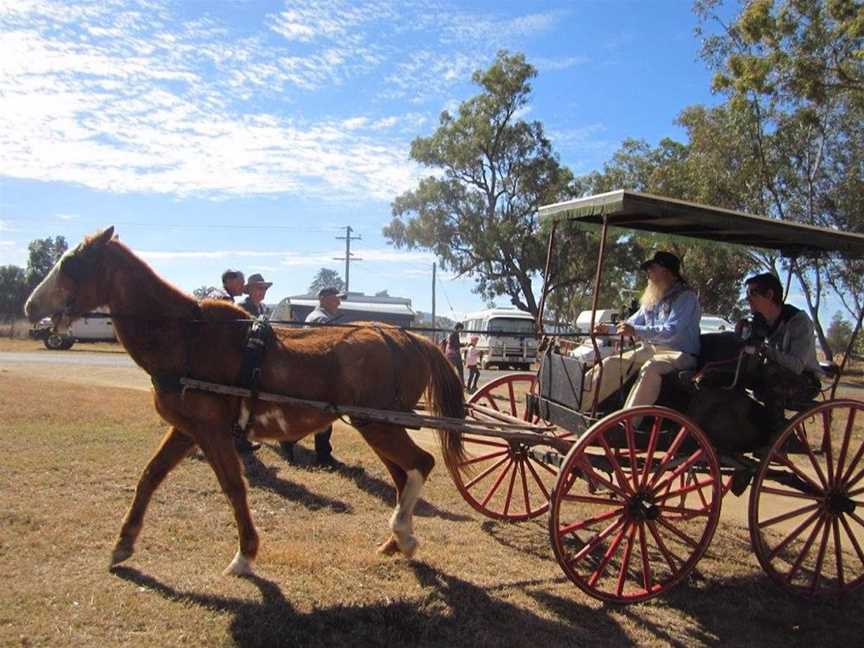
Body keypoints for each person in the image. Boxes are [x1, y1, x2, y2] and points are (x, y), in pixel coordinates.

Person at [582, 251, 701, 412]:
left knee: (650, 369)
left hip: (679, 354)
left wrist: (634, 330)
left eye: (652, 268)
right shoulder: (653, 298)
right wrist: (607, 329)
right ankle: (577, 404)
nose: (648, 273)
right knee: (611, 363)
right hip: (651, 350)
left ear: (666, 271)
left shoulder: (686, 298)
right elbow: (631, 324)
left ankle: (627, 424)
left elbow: (672, 330)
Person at [741, 272, 822, 424]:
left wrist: (764, 350)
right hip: (774, 376)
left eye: (752, 293)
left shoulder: (798, 321)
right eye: (747, 294)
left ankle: (776, 434)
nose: (747, 299)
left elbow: (797, 366)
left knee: (771, 374)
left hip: (806, 381)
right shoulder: (759, 323)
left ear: (770, 294)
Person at [279, 286, 343, 466]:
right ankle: (291, 441)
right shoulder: (320, 318)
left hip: (319, 372)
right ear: (322, 299)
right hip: (317, 373)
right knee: (322, 413)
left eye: (339, 298)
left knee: (323, 413)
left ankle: (321, 453)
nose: (339, 302)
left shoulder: (324, 317)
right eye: (335, 298)